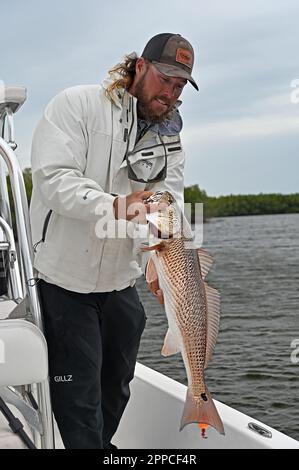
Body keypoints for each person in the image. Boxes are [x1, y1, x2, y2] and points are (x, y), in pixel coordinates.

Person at [29, 32, 198, 449]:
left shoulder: (170, 135)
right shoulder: (78, 105)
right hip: (64, 281)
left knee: (117, 389)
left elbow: (168, 204)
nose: (171, 92)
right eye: (166, 78)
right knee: (78, 398)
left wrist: (165, 262)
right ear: (139, 66)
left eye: (180, 85)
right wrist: (116, 206)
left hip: (121, 282)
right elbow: (53, 180)